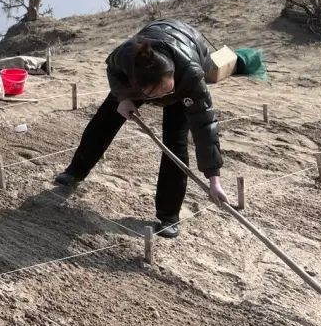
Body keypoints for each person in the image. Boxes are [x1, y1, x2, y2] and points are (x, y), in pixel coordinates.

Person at [54, 19, 230, 237]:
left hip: (189, 55)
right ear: (139, 87)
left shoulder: (190, 77)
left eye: (168, 91)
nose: (164, 97)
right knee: (105, 120)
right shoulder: (127, 57)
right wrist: (123, 97)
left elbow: (205, 126)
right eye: (157, 95)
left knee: (175, 143)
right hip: (140, 79)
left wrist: (214, 179)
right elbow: (112, 69)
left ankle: (169, 216)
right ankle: (75, 172)